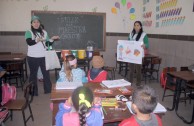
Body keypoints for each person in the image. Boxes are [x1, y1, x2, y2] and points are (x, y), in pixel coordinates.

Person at [25, 16, 60, 96]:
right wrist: (37, 40)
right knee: (33, 74)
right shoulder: (28, 32)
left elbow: (48, 44)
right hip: (32, 57)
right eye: (34, 22)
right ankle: (33, 92)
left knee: (46, 73)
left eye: (37, 22)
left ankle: (48, 90)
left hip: (43, 56)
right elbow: (29, 42)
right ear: (31, 23)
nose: (36, 24)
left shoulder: (44, 32)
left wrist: (52, 39)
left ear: (40, 23)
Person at [128, 21, 149, 86]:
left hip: (139, 55)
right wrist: (121, 44)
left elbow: (147, 44)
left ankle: (138, 83)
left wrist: (144, 45)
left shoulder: (144, 34)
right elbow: (128, 43)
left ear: (140, 26)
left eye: (138, 25)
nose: (136, 27)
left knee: (138, 70)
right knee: (131, 70)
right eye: (135, 25)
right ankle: (130, 82)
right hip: (131, 55)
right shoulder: (131, 34)